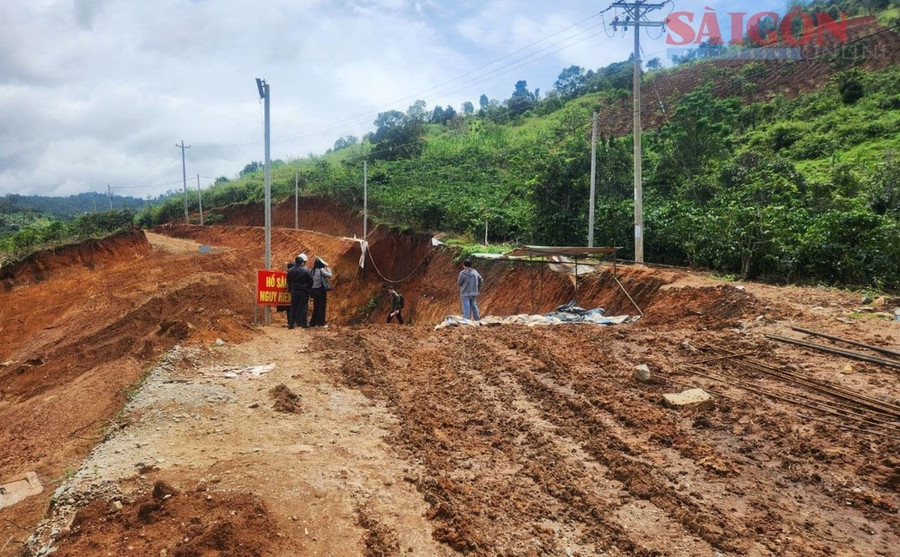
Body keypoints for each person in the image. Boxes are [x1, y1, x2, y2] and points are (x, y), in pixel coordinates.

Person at [287, 253, 312, 329]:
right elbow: (311, 281)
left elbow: (288, 281)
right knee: (303, 306)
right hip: (303, 291)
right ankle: (303, 323)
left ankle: (291, 324)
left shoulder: (290, 270)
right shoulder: (306, 270)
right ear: (302, 262)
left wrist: (291, 287)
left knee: (293, 306)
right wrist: (308, 288)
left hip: (294, 290)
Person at [309, 256, 333, 327]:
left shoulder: (312, 271)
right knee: (322, 307)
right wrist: (328, 269)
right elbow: (329, 275)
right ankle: (321, 323)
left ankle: (313, 323)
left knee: (316, 307)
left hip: (314, 291)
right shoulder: (321, 270)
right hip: (320, 291)